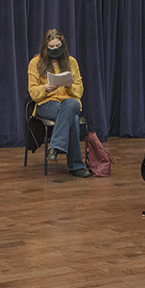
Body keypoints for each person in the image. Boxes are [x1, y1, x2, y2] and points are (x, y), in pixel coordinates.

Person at [27, 29, 89, 177]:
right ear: (45, 47)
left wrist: (69, 86)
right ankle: (76, 166)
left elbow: (79, 91)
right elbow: (33, 93)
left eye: (58, 46)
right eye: (51, 47)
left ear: (63, 45)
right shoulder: (36, 63)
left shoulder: (71, 62)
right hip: (47, 103)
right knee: (72, 118)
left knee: (70, 105)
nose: (55, 49)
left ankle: (54, 147)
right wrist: (46, 88)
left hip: (70, 102)